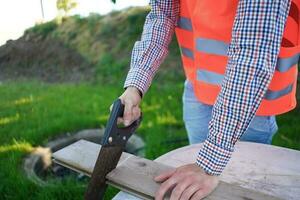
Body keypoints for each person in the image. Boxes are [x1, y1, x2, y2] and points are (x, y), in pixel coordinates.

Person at [113, 0, 299, 199]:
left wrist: (208, 164)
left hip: (251, 104)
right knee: (200, 187)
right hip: (199, 87)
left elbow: (251, 57)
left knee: (239, 185)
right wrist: (135, 87)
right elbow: (162, 16)